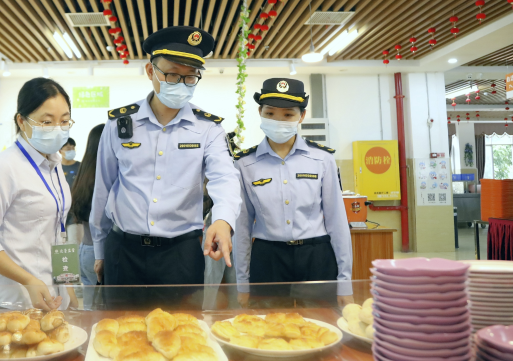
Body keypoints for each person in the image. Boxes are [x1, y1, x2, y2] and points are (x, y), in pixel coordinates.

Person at [90, 26, 241, 296]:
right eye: (172, 74)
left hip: (181, 254)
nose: (181, 84)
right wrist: (99, 251)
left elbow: (225, 178)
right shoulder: (119, 124)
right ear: (151, 72)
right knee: (120, 332)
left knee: (182, 334)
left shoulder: (208, 129)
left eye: (190, 77)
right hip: (124, 251)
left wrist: (222, 220)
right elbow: (104, 188)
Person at [233, 78, 353, 308]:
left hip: (316, 255)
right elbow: (242, 227)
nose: (278, 120)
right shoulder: (245, 164)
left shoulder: (322, 159)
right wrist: (242, 283)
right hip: (268, 258)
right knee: (269, 334)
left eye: (288, 115)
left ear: (301, 116)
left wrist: (345, 281)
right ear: (260, 112)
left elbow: (337, 221)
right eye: (270, 113)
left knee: (321, 326)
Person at [0, 78, 78, 310]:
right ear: (21, 121)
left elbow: (59, 233)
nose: (57, 129)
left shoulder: (55, 167)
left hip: (54, 295)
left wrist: (69, 288)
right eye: (47, 122)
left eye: (64, 121)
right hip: (14, 298)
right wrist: (28, 280)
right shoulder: (3, 168)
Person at [68, 124, 104, 310]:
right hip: (99, 254)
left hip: (85, 250)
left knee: (90, 308)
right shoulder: (104, 177)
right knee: (104, 312)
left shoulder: (84, 173)